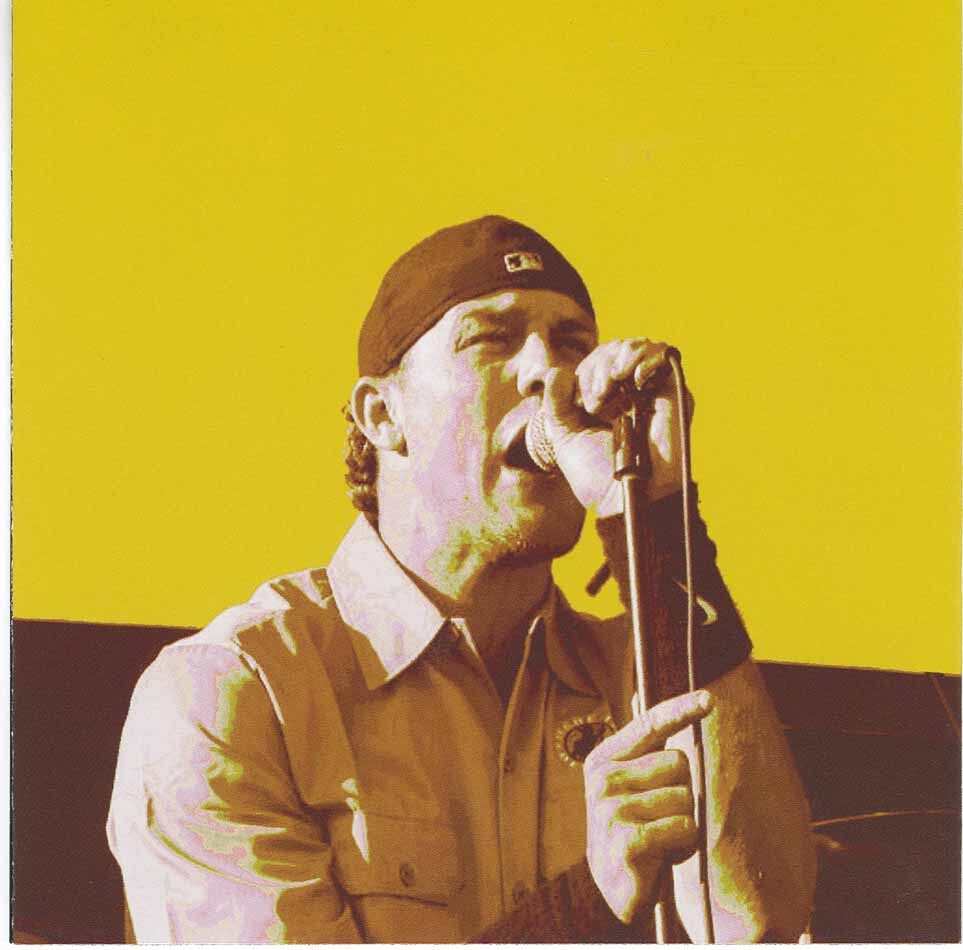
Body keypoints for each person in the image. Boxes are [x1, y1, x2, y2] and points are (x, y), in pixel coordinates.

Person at [107, 215, 816, 943]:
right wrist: (585, 905)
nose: (549, 373)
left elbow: (758, 924)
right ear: (383, 415)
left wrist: (660, 518)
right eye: (491, 339)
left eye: (572, 343)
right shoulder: (235, 693)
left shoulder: (647, 670)